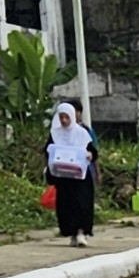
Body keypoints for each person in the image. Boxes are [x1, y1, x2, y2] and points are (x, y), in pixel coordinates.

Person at [46, 102, 98, 247]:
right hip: (64, 178)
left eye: (66, 117)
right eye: (61, 117)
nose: (64, 121)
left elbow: (93, 151)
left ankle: (82, 232)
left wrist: (89, 155)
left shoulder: (81, 133)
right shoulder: (55, 134)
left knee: (82, 204)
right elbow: (47, 150)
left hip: (80, 178)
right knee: (66, 206)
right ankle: (72, 233)